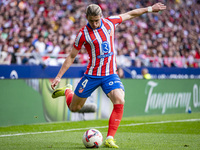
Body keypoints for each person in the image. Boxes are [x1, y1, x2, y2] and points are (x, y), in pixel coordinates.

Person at [51, 3, 166, 148]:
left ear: (101, 16)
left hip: (110, 74)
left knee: (119, 99)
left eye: (96, 20)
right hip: (92, 75)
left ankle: (110, 138)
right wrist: (58, 76)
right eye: (91, 20)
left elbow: (131, 14)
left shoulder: (110, 23)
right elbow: (71, 56)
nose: (94, 23)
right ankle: (68, 90)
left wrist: (150, 9)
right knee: (74, 108)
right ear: (87, 18)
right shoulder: (82, 34)